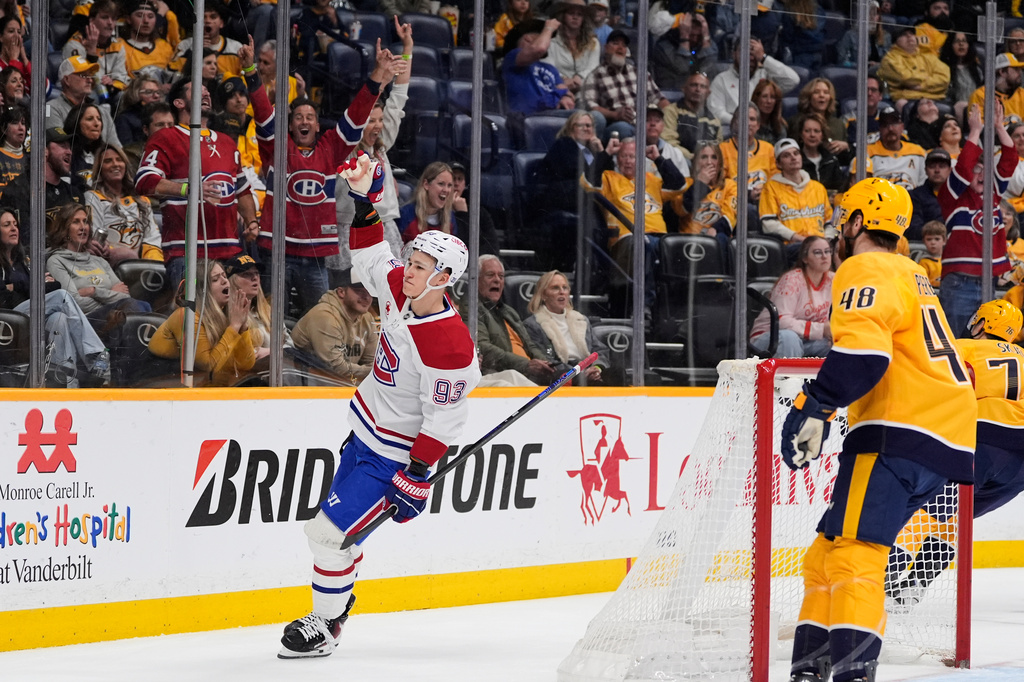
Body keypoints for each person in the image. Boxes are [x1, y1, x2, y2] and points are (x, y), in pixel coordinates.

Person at [278, 153, 480, 658]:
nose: (407, 270)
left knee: (325, 534)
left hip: (391, 454)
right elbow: (370, 256)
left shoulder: (451, 345)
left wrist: (416, 472)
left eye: (419, 266)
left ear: (444, 277)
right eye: (410, 262)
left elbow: (445, 420)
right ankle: (337, 603)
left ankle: (325, 625)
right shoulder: (399, 289)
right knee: (341, 536)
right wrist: (366, 200)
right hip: (361, 435)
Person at [781, 176, 976, 682]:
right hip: (944, 437)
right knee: (828, 548)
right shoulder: (912, 272)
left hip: (900, 430)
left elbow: (865, 355)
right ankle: (810, 669)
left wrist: (815, 404)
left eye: (845, 219)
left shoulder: (864, 265)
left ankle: (851, 675)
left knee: (854, 554)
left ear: (859, 222)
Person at [244, 36, 402, 316]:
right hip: (278, 253)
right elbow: (262, 112)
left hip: (316, 257)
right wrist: (250, 73)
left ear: (317, 125)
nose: (304, 121)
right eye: (298, 117)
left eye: (310, 117)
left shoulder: (332, 148)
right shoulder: (277, 148)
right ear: (290, 124)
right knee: (271, 324)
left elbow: (356, 117)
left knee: (318, 324)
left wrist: (377, 76)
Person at [887, 300, 1024, 607]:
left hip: (984, 441)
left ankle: (881, 576)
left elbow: (936, 384)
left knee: (932, 509)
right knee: (956, 517)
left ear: (984, 325)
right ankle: (913, 588)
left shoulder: (965, 347)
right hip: (1019, 471)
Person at [135, 74, 258, 290]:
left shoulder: (227, 142)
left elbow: (242, 189)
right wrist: (188, 189)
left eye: (207, 91)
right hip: (187, 251)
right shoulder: (165, 138)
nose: (206, 93)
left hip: (230, 249)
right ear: (179, 103)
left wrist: (251, 222)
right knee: (194, 318)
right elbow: (145, 181)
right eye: (197, 91)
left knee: (234, 318)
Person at [334, 19, 413, 272]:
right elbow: (360, 106)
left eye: (380, 120)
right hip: (349, 227)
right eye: (371, 120)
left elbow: (399, 97)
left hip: (385, 225)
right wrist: (379, 75)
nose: (378, 125)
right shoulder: (344, 147)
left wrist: (407, 46)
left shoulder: (380, 146)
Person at [0, 207, 110, 387]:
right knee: (61, 297)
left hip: (26, 313)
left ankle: (67, 384)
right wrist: (31, 286)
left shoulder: (21, 262)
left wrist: (18, 287)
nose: (14, 229)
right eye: (6, 225)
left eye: (15, 224)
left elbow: (52, 285)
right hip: (7, 321)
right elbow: (3, 298)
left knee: (59, 319)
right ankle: (96, 355)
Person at [939, 102, 1018, 337]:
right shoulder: (952, 196)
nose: (981, 174)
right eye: (977, 170)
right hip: (959, 283)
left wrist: (999, 127)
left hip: (987, 282)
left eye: (984, 169)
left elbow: (1010, 160)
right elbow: (963, 167)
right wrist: (974, 131)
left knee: (982, 344)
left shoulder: (993, 194)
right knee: (956, 345)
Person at [45, 203, 152, 346]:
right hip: (86, 321)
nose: (83, 227)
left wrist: (92, 291)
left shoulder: (99, 261)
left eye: (85, 221)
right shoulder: (56, 261)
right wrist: (108, 294)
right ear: (64, 229)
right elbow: (73, 303)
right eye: (76, 222)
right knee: (136, 309)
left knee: (134, 310)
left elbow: (125, 295)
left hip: (113, 315)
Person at [147, 258, 261, 386]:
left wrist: (243, 327)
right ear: (202, 290)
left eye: (224, 276)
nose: (225, 281)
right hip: (161, 384)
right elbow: (208, 366)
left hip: (200, 384)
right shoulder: (186, 316)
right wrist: (234, 327)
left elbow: (246, 364)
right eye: (215, 279)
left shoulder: (228, 315)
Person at [468, 254, 555, 385]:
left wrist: (546, 364)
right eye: (490, 275)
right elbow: (484, 348)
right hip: (501, 373)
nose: (497, 280)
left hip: (529, 373)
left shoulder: (509, 312)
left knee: (568, 375)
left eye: (501, 276)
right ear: (476, 279)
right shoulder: (471, 308)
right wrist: (526, 365)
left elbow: (530, 346)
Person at [749, 236, 834, 358]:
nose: (824, 256)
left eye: (827, 251)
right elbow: (782, 322)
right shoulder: (792, 280)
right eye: (817, 252)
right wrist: (821, 329)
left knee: (837, 344)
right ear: (805, 258)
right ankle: (787, 378)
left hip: (806, 340)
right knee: (789, 338)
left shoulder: (834, 280)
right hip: (770, 337)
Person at [291, 268, 378, 384]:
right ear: (341, 292)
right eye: (360, 292)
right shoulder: (324, 316)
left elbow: (374, 362)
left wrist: (376, 371)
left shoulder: (366, 318)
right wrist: (376, 372)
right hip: (307, 388)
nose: (367, 298)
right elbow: (337, 368)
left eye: (370, 292)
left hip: (339, 385)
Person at [523, 270, 609, 385]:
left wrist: (597, 368)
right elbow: (546, 360)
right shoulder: (533, 324)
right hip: (563, 375)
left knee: (618, 372)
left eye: (565, 288)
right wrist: (580, 372)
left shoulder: (581, 320)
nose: (562, 292)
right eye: (555, 288)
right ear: (543, 295)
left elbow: (600, 350)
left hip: (589, 370)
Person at [582, 29, 669, 141]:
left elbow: (659, 99)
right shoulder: (594, 76)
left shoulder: (640, 73)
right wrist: (615, 115)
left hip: (645, 124)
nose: (620, 48)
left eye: (624, 45)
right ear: (606, 48)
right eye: (615, 43)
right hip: (616, 125)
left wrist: (672, 115)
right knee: (622, 128)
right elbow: (592, 108)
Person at [0, 127, 83, 242]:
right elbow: (25, 239)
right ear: (44, 151)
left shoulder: (75, 193)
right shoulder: (18, 190)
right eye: (63, 146)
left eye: (69, 147)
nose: (69, 151)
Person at [85, 146, 163, 267]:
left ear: (125, 165)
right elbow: (96, 236)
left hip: (139, 266)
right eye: (108, 161)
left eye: (119, 160)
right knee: (125, 254)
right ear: (99, 169)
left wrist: (153, 265)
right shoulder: (93, 197)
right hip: (107, 262)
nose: (115, 164)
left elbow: (152, 239)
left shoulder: (142, 200)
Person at [707, 37, 799, 125]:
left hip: (765, 129)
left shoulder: (767, 76)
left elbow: (793, 80)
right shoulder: (721, 80)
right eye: (744, 52)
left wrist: (764, 58)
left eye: (753, 53)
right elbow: (716, 113)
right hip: (735, 130)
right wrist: (746, 122)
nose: (749, 58)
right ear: (734, 54)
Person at [760, 138, 832, 248]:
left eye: (796, 153)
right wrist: (799, 238)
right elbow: (769, 224)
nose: (793, 157)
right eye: (786, 155)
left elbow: (830, 221)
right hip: (793, 245)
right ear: (778, 164)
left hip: (822, 244)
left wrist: (827, 240)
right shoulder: (770, 187)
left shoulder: (818, 188)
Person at [502, 19, 576, 117]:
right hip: (526, 117)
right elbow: (539, 49)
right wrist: (549, 28)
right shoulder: (512, 58)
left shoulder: (550, 69)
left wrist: (566, 97)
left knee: (589, 117)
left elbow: (566, 92)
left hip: (552, 114)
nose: (535, 42)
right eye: (529, 39)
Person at [62, 0, 129, 103]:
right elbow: (79, 82)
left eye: (114, 18)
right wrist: (91, 52)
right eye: (105, 17)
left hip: (107, 92)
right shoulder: (75, 45)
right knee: (94, 96)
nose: (110, 23)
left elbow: (121, 78)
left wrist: (112, 85)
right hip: (80, 92)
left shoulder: (117, 45)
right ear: (92, 21)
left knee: (126, 96)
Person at [46, 57, 121, 147]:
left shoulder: (102, 112)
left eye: (90, 76)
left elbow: (116, 148)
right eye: (83, 76)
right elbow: (59, 148)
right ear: (66, 80)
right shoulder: (50, 108)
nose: (90, 80)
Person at [850, 107, 927, 191]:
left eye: (894, 123)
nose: (890, 129)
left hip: (911, 200)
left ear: (902, 126)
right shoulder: (867, 152)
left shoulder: (919, 152)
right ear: (880, 129)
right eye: (885, 125)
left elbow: (924, 187)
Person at [676, 140, 738, 240]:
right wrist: (700, 184)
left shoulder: (730, 185)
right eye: (704, 157)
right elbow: (680, 210)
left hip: (717, 237)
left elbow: (731, 215)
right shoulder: (685, 184)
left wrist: (715, 229)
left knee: (721, 238)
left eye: (714, 157)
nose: (709, 162)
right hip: (689, 238)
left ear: (720, 163)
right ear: (696, 162)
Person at [877, 24, 950, 105]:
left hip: (934, 99)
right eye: (904, 35)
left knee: (960, 106)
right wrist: (928, 77)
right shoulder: (889, 59)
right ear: (895, 41)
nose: (909, 36)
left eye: (912, 34)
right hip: (907, 99)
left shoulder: (929, 57)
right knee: (902, 104)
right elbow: (905, 78)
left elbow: (944, 79)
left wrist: (922, 86)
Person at [542, 0, 600, 96]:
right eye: (571, 13)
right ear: (563, 16)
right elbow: (548, 66)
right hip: (557, 88)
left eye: (579, 14)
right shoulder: (551, 40)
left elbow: (593, 67)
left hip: (585, 89)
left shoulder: (593, 42)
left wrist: (579, 77)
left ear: (583, 19)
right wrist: (563, 79)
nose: (575, 17)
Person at [170, 2, 243, 78]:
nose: (207, 21)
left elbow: (244, 83)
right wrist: (193, 54)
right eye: (203, 17)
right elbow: (171, 77)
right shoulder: (184, 46)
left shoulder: (235, 48)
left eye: (213, 17)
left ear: (221, 23)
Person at [651, 10, 716, 91]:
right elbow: (683, 68)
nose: (695, 39)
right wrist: (684, 38)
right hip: (671, 92)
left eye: (698, 35)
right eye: (691, 35)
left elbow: (708, 70)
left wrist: (706, 38)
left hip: (696, 93)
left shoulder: (705, 42)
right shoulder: (664, 46)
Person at [662, 71, 721, 160]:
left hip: (706, 162)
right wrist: (692, 157)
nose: (698, 90)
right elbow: (668, 141)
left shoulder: (714, 120)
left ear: (708, 93)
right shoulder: (671, 111)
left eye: (703, 86)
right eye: (693, 85)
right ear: (684, 89)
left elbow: (718, 148)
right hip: (680, 160)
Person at [398, 162, 458, 243]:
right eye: (441, 184)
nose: (446, 190)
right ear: (426, 184)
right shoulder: (405, 215)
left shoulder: (450, 218)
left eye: (449, 185)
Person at [787, 78, 848, 158]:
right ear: (808, 96)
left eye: (826, 92)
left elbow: (847, 157)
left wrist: (846, 146)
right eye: (816, 92)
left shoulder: (838, 124)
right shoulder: (796, 122)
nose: (822, 95)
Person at [795, 112, 845, 195]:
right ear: (801, 134)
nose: (812, 135)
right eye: (807, 131)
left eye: (816, 131)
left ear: (822, 135)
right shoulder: (795, 161)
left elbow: (839, 189)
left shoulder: (831, 160)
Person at [967, 52, 1024, 123]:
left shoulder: (1022, 94)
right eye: (1016, 69)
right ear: (1002, 72)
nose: (1020, 73)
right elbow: (979, 127)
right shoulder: (980, 95)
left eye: (1020, 69)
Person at [907, 148, 950, 241]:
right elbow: (913, 229)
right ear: (925, 170)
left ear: (950, 170)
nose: (937, 170)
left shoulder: (959, 195)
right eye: (932, 166)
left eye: (942, 166)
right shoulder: (914, 196)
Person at [63, 103, 106, 193]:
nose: (97, 123)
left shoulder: (106, 153)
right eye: (90, 119)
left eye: (99, 119)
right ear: (76, 123)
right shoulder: (66, 153)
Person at [835, 0, 890, 69]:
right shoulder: (850, 35)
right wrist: (865, 65)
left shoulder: (886, 36)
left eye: (875, 14)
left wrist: (877, 65)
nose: (872, 17)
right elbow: (842, 61)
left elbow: (889, 62)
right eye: (869, 13)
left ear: (879, 18)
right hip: (856, 73)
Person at [114, 75, 164, 147]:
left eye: (158, 92)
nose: (156, 96)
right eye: (149, 92)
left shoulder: (164, 117)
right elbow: (128, 150)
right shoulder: (124, 119)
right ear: (135, 94)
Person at [779, 0, 827, 71]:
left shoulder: (790, 11)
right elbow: (823, 32)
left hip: (800, 55)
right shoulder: (819, 9)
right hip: (818, 53)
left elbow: (788, 36)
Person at [939, 31, 982, 108]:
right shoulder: (943, 68)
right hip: (956, 108)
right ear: (950, 45)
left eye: (964, 41)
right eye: (957, 41)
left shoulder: (976, 69)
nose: (961, 44)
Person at [844, 75, 883, 150]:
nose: (869, 93)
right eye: (865, 90)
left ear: (880, 96)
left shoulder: (886, 119)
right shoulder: (847, 120)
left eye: (873, 90)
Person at [0, 103, 26, 194]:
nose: (21, 128)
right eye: (14, 123)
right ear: (4, 129)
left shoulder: (31, 159)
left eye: (23, 123)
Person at [753, 78, 786, 145]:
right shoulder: (748, 125)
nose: (769, 101)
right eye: (764, 96)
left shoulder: (780, 127)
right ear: (757, 98)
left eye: (773, 97)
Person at [0, 16, 28, 86]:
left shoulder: (23, 64)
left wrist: (25, 58)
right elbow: (11, 91)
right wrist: (14, 61)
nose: (16, 36)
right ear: (1, 37)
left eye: (19, 32)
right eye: (11, 31)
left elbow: (45, 88)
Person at [918, 220, 946, 287]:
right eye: (929, 239)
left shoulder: (948, 260)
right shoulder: (923, 262)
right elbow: (921, 283)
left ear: (944, 241)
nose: (933, 242)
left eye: (937, 239)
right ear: (924, 241)